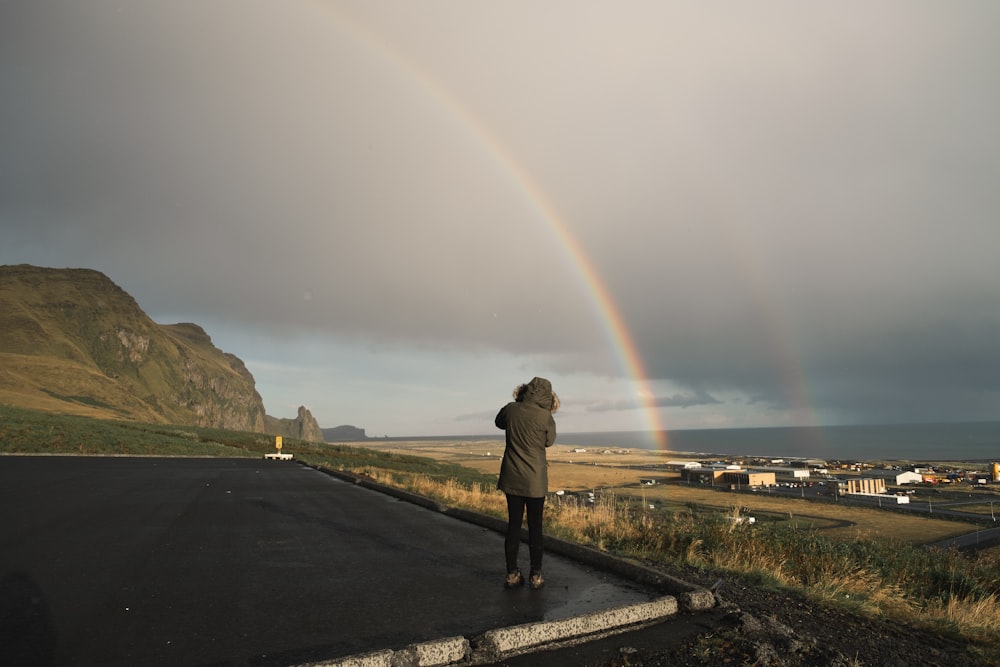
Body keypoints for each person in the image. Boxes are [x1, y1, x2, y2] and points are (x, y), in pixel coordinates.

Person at [495, 376, 558, 590]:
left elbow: (498, 422)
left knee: (513, 525)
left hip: (512, 476)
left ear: (526, 391)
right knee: (535, 527)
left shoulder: (511, 409)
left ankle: (512, 574)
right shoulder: (545, 417)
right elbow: (549, 441)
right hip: (535, 481)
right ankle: (536, 575)